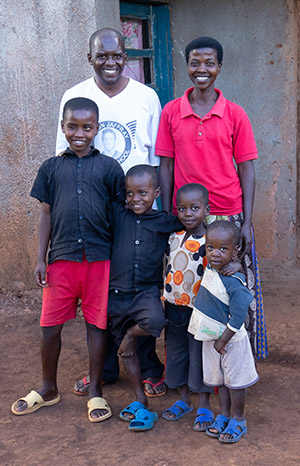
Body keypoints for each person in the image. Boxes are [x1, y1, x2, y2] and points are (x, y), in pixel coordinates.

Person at [56, 27, 165, 396]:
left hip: (138, 209)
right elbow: (64, 157)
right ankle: (102, 369)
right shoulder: (75, 96)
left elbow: (156, 158)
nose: (110, 62)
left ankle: (149, 366)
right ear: (90, 58)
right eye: (102, 55)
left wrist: (155, 204)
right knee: (102, 292)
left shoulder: (146, 97)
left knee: (143, 285)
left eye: (117, 55)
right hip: (96, 217)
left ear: (127, 56)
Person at [11, 98, 125, 423]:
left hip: (99, 260)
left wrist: (118, 261)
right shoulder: (50, 168)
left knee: (96, 326)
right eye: (72, 126)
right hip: (60, 260)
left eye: (86, 127)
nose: (79, 133)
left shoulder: (109, 168)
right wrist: (39, 259)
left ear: (96, 129)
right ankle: (48, 388)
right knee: (49, 328)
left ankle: (95, 391)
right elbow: (45, 214)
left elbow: (117, 216)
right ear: (63, 127)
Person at [156, 36, 267, 360]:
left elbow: (247, 170)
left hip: (228, 216)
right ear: (187, 66)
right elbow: (166, 164)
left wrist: (246, 221)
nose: (201, 69)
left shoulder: (234, 114)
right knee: (190, 288)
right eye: (195, 62)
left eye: (209, 63)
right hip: (188, 217)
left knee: (233, 289)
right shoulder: (172, 112)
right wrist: (168, 216)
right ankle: (195, 363)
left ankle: (237, 359)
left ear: (219, 67)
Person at [162, 183, 241, 431]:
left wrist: (237, 266)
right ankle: (183, 399)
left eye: (194, 208)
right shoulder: (173, 236)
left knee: (200, 358)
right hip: (174, 308)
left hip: (201, 312)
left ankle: (204, 404)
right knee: (176, 355)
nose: (187, 214)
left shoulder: (210, 241)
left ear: (207, 209)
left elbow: (229, 260)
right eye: (182, 208)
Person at [110, 165, 183, 431]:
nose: (135, 199)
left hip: (145, 293)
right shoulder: (118, 214)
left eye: (142, 193)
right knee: (117, 342)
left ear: (157, 193)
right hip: (115, 293)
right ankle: (140, 398)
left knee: (154, 321)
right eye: (129, 193)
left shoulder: (164, 221)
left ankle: (130, 336)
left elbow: (190, 221)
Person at [188, 220, 259, 443]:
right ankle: (224, 415)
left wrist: (223, 341)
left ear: (235, 250)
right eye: (211, 248)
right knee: (221, 382)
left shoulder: (235, 282)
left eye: (223, 249)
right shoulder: (212, 266)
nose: (215, 254)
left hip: (231, 341)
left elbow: (239, 317)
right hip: (213, 338)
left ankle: (238, 420)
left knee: (235, 383)